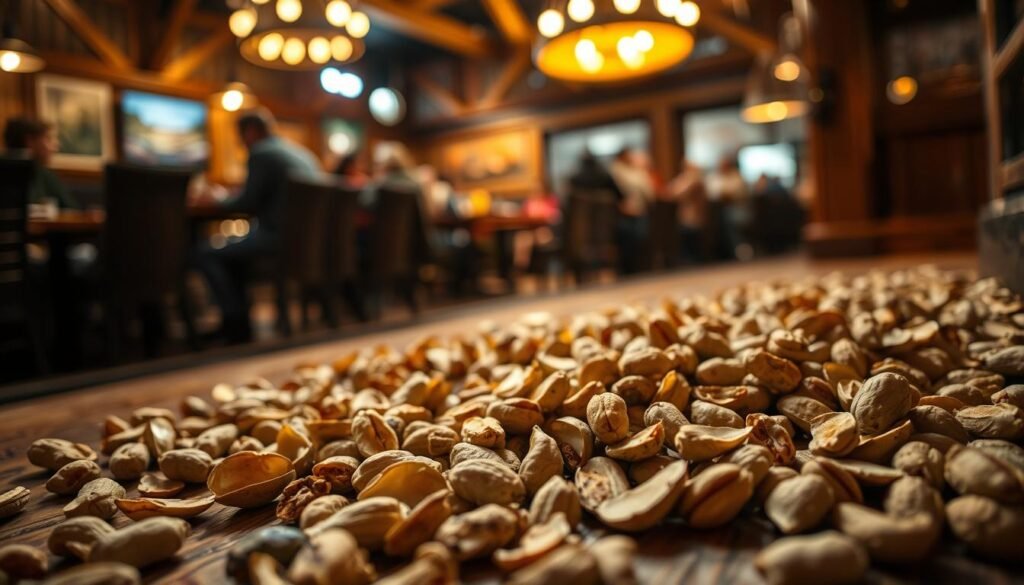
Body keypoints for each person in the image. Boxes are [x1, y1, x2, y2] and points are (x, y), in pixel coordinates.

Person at [193, 107, 322, 343]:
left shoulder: (262, 153)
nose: (241, 142)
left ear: (250, 131)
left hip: (276, 238)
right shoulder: (304, 155)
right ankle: (239, 323)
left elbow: (247, 201)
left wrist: (217, 198)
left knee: (207, 253)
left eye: (240, 136)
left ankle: (235, 323)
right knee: (232, 253)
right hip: (308, 242)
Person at [3, 117, 79, 209]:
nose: (56, 145)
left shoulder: (45, 174)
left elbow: (72, 209)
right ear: (29, 141)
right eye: (49, 138)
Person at [610, 148, 655, 274]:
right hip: (624, 215)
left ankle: (638, 268)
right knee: (632, 237)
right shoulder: (618, 170)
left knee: (640, 236)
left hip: (638, 212)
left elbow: (648, 194)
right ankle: (633, 269)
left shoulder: (635, 172)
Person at [666, 158, 707, 264]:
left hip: (694, 212)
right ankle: (689, 260)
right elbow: (671, 190)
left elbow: (681, 193)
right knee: (685, 238)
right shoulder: (683, 178)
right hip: (684, 213)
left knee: (693, 238)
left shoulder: (696, 178)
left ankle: (695, 260)